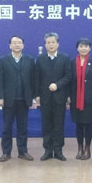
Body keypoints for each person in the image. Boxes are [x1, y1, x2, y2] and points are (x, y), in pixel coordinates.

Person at [0, 35, 35, 162]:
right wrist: (0, 97)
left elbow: (33, 80)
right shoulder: (3, 60)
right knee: (7, 127)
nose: (17, 45)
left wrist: (32, 97)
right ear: (9, 45)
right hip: (8, 100)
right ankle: (6, 152)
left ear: (23, 45)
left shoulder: (29, 60)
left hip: (24, 99)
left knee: (23, 127)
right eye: (14, 43)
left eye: (19, 43)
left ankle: (23, 151)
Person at [35, 32, 72, 161]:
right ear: (45, 45)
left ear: (58, 44)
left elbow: (68, 76)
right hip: (45, 97)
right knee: (46, 125)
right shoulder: (40, 59)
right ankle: (47, 150)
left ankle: (58, 150)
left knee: (59, 124)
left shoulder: (65, 58)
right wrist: (37, 95)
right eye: (48, 42)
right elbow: (37, 78)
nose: (51, 45)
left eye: (53, 42)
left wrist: (58, 85)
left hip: (59, 96)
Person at [70, 38, 92, 160]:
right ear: (77, 48)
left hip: (88, 99)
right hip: (75, 99)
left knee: (87, 125)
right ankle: (79, 148)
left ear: (89, 48)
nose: (83, 48)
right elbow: (70, 81)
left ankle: (87, 149)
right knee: (78, 125)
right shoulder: (72, 62)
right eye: (81, 46)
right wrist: (68, 96)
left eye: (86, 46)